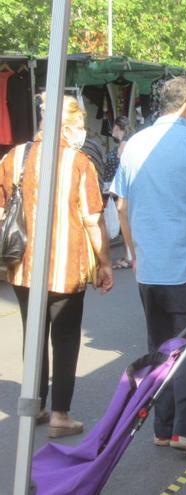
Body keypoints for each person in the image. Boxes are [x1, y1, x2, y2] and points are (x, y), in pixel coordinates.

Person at [112, 76, 186, 455]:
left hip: (149, 268)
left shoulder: (135, 143)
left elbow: (121, 205)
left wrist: (133, 249)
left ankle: (161, 426)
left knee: (159, 349)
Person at [0, 95, 114, 438]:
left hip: (23, 265)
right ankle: (61, 415)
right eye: (79, 125)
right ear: (68, 125)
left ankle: (34, 406)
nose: (82, 131)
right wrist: (105, 263)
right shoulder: (79, 163)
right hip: (67, 265)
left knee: (32, 334)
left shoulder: (15, 157)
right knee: (65, 338)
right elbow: (93, 219)